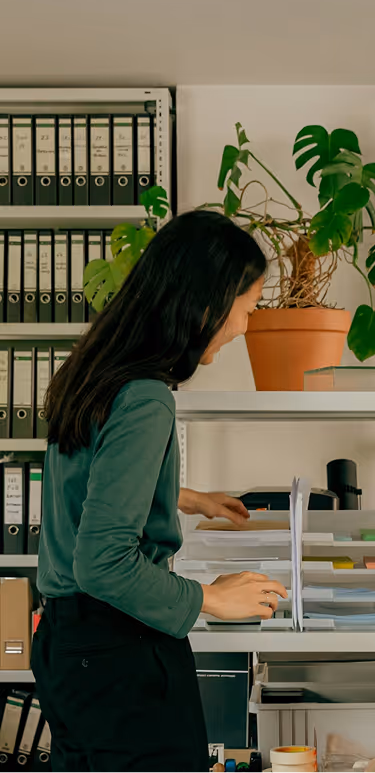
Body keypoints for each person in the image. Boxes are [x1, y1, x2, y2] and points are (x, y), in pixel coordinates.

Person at [32, 211, 288, 773]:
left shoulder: (94, 372)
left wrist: (186, 497)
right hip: (120, 651)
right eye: (246, 309)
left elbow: (88, 480)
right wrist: (210, 598)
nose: (246, 327)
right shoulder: (148, 398)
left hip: (65, 645)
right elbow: (101, 561)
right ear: (205, 306)